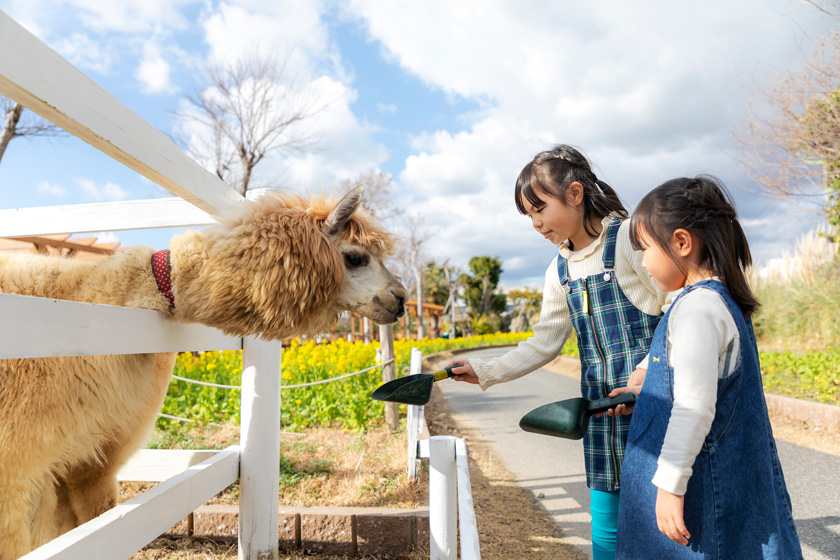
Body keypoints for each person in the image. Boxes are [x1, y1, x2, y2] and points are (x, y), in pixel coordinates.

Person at [446, 144, 670, 560]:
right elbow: (544, 342)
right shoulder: (559, 270)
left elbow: (674, 309)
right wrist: (486, 370)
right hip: (601, 410)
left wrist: (644, 370)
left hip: (653, 399)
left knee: (666, 518)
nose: (534, 223)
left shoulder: (628, 240)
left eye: (539, 209)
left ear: (575, 194)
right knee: (604, 529)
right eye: (527, 215)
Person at [614, 176, 803, 559]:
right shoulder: (716, 301)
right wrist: (648, 392)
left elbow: (694, 406)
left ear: (682, 242)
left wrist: (669, 486)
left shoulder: (697, 308)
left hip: (698, 492)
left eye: (645, 249)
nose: (642, 262)